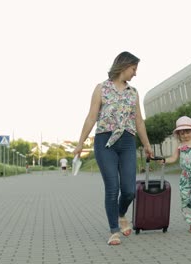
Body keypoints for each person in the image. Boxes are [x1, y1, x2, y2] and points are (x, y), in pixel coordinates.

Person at [73, 51, 153, 246]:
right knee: (112, 188)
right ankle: (114, 231)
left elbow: (139, 122)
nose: (135, 73)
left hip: (127, 142)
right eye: (134, 69)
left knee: (128, 191)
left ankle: (120, 213)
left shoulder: (133, 92)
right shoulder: (101, 89)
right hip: (104, 142)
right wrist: (80, 142)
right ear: (124, 66)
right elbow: (92, 117)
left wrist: (148, 145)